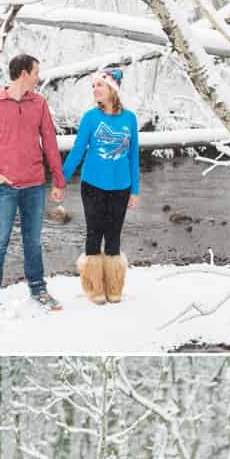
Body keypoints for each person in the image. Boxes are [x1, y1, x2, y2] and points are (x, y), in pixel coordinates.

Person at [0, 54, 65, 317]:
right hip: (5, 188)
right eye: (36, 72)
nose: (38, 77)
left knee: (32, 241)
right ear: (23, 73)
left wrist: (58, 179)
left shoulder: (39, 103)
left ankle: (38, 289)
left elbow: (49, 143)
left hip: (35, 184)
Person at [61, 67, 140, 306]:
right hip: (93, 185)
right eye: (93, 86)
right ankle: (95, 287)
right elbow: (77, 151)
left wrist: (135, 189)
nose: (95, 89)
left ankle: (114, 286)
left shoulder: (130, 119)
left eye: (100, 85)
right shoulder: (90, 118)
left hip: (121, 186)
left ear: (113, 90)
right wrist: (61, 179)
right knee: (94, 234)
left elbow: (133, 155)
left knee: (114, 236)